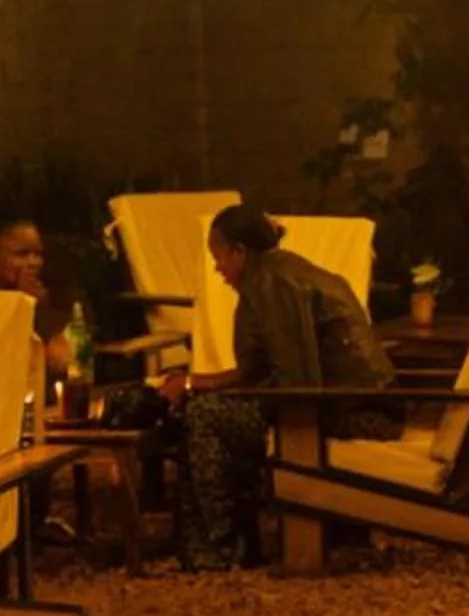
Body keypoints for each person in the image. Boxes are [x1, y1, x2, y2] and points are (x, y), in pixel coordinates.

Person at [152, 204, 399, 571]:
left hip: (351, 415)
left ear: (239, 251)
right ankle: (219, 543)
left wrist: (208, 394)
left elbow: (297, 381)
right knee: (203, 405)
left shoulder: (274, 285)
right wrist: (192, 382)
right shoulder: (280, 274)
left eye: (217, 256)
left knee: (205, 417)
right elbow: (258, 371)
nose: (217, 268)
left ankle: (220, 549)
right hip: (352, 405)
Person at [0, 210, 74, 375]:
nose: (34, 262)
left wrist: (36, 307)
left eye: (38, 254)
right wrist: (20, 304)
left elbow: (62, 359)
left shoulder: (50, 291)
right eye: (22, 254)